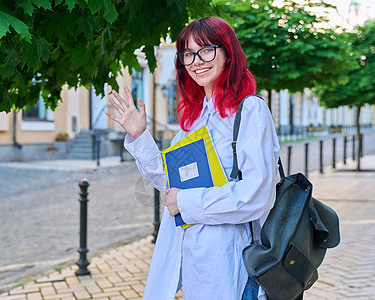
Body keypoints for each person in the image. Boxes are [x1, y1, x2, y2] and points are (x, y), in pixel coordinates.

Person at [106, 16, 280, 300]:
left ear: (228, 53)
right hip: (190, 254)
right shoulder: (194, 118)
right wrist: (140, 136)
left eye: (207, 50)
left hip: (229, 259)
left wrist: (185, 202)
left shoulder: (250, 111)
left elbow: (256, 195)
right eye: (188, 54)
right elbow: (169, 180)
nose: (197, 60)